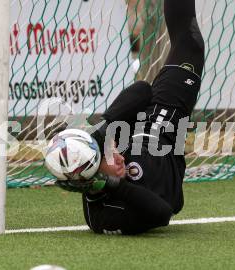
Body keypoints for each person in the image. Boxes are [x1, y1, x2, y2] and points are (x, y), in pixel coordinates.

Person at [57, 0, 205, 235]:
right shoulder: (105, 216)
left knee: (189, 43)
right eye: (107, 159)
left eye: (108, 151)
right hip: (165, 131)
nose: (117, 156)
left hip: (151, 120)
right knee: (191, 42)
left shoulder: (106, 154)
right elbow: (162, 213)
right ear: (92, 180)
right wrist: (114, 185)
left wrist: (103, 131)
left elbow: (142, 90)